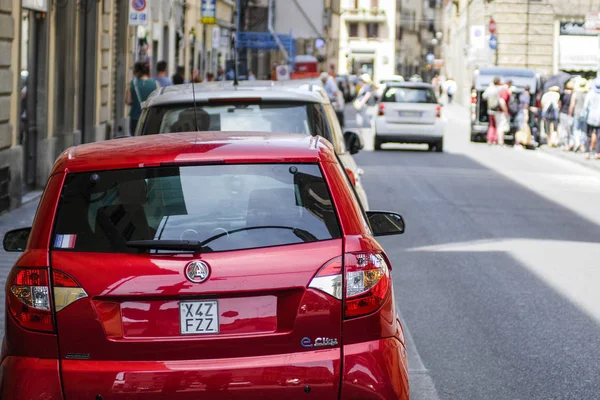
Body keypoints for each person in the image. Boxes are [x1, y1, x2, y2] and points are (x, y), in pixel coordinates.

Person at [126, 61, 158, 135]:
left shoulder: (132, 83)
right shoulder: (155, 83)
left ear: (136, 71)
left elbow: (128, 101)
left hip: (135, 117)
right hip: (150, 118)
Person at [583, 78, 600, 159]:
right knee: (599, 136)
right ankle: (598, 152)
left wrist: (584, 116)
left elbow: (586, 106)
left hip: (590, 117)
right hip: (599, 118)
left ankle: (587, 152)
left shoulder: (590, 94)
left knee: (588, 135)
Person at [569, 79, 588, 152]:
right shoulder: (587, 93)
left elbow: (572, 105)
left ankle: (577, 142)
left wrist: (570, 114)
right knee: (583, 129)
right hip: (585, 114)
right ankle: (582, 145)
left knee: (576, 129)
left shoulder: (575, 94)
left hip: (577, 112)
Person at [482, 77, 502, 144]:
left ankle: (490, 139)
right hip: (497, 109)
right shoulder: (498, 89)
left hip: (490, 109)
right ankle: (494, 139)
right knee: (496, 125)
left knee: (491, 124)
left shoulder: (489, 89)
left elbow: (484, 96)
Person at [558, 82, 574, 150]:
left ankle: (565, 144)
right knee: (569, 129)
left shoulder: (562, 94)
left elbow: (559, 103)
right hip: (570, 114)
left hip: (563, 112)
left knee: (564, 129)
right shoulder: (572, 95)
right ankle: (570, 143)